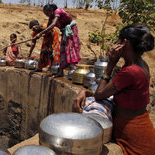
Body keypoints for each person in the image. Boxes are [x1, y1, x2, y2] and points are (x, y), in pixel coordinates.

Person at [73, 24, 155, 155]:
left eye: (118, 40)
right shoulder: (140, 64)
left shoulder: (130, 71)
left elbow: (100, 95)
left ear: (125, 43)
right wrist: (88, 92)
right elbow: (109, 91)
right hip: (137, 125)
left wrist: (110, 63)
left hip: (134, 134)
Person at [35, 4, 81, 76]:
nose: (47, 15)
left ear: (52, 10)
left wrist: (40, 33)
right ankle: (61, 71)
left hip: (71, 31)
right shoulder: (51, 17)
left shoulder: (58, 11)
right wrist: (39, 34)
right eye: (45, 14)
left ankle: (74, 71)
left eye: (47, 12)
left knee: (70, 50)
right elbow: (49, 30)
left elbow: (53, 25)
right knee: (62, 50)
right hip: (64, 32)